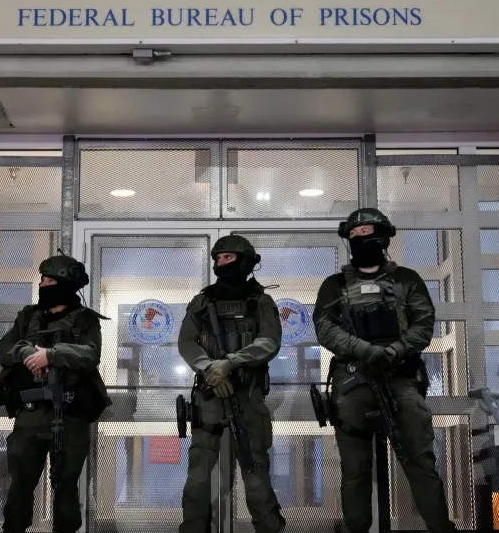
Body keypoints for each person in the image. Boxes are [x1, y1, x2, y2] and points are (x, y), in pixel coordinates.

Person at [313, 208, 455, 533]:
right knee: (355, 470)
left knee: (420, 462)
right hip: (353, 382)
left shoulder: (406, 280)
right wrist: (364, 350)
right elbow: (325, 328)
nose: (362, 239)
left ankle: (440, 527)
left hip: (400, 378)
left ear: (383, 236)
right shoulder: (334, 286)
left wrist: (395, 350)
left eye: (368, 233)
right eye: (356, 235)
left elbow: (424, 322)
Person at [0, 255, 112, 533]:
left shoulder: (86, 321)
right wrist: (28, 352)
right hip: (30, 415)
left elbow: (91, 355)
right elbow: (5, 348)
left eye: (50, 280)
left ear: (67, 284)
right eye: (42, 280)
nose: (43, 285)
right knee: (19, 488)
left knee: (67, 489)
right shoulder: (28, 316)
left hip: (69, 416)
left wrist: (52, 356)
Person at [177, 235, 286, 533]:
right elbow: (186, 342)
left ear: (246, 261)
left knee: (255, 474)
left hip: (247, 396)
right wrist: (211, 368)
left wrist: (231, 362)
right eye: (218, 258)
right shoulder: (202, 301)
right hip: (210, 397)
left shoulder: (260, 301)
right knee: (198, 477)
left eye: (228, 258)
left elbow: (270, 342)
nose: (220, 263)